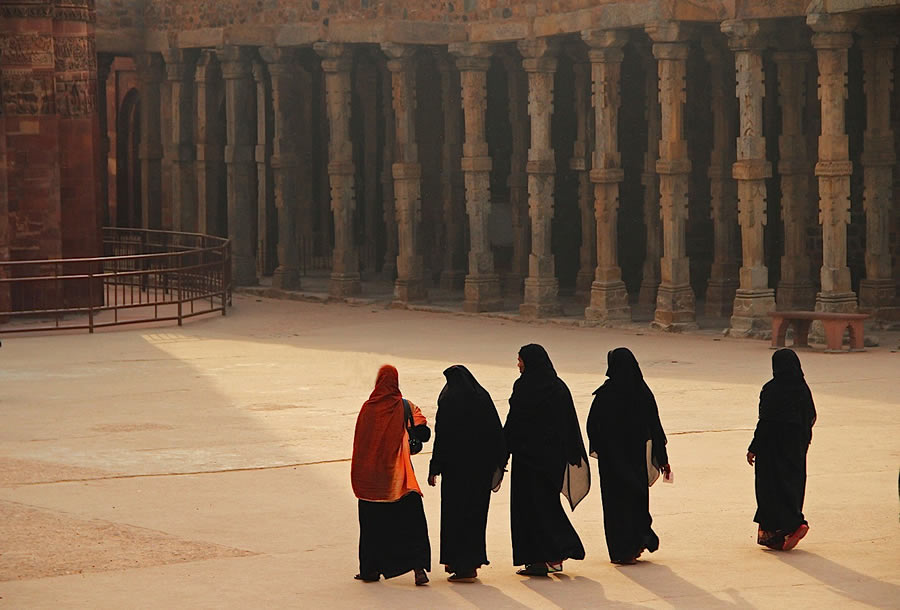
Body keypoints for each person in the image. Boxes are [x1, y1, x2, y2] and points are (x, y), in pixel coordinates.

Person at [504, 343, 590, 576]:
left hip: (526, 461)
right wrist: (572, 453)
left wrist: (502, 453)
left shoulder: (523, 387)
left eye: (520, 359)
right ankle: (550, 556)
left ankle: (543, 557)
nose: (518, 364)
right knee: (547, 505)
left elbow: (514, 422)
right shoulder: (557, 387)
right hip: (551, 461)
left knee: (529, 509)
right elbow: (569, 423)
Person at [586, 347, 671, 565]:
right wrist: (663, 459)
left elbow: (592, 427)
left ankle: (621, 550)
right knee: (635, 501)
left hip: (612, 464)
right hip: (635, 461)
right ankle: (637, 543)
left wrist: (606, 448)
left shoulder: (605, 395)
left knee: (616, 507)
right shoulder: (642, 392)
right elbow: (655, 428)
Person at [351, 364, 432, 585]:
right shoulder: (406, 406)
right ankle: (418, 568)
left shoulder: (368, 408)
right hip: (400, 478)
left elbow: (361, 444)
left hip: (371, 481)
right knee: (412, 524)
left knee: (371, 526)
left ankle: (370, 570)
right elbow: (425, 432)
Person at [427, 365, 507, 583]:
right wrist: (499, 462)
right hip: (480, 471)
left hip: (455, 473)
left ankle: (458, 563)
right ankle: (472, 562)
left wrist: (435, 467)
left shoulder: (448, 399)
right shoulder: (482, 397)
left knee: (455, 517)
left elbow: (442, 437)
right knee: (475, 516)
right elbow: (496, 432)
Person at [747, 348, 817, 551]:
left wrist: (754, 447)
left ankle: (784, 529)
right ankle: (796, 523)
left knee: (770, 489)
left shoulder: (771, 389)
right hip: (795, 447)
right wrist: (802, 439)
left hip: (772, 449)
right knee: (791, 486)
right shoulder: (802, 388)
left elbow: (766, 422)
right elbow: (811, 416)